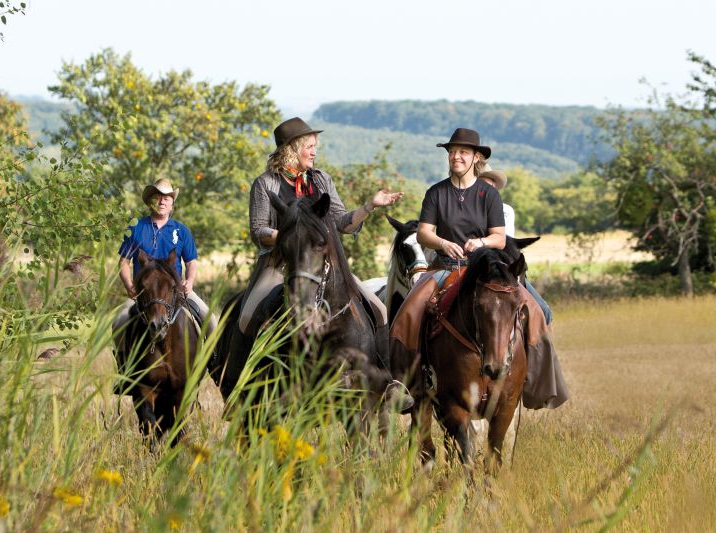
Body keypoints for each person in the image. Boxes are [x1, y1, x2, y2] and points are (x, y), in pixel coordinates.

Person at [232, 117, 412, 408]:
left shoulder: (321, 180)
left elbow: (342, 222)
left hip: (327, 267)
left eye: (315, 146)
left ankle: (386, 384)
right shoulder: (265, 184)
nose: (315, 152)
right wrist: (294, 236)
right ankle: (239, 392)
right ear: (292, 149)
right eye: (310, 146)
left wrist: (369, 206)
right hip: (281, 265)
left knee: (378, 309)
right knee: (246, 315)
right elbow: (258, 230)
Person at [390, 128, 568, 410]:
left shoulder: (489, 194)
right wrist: (443, 243)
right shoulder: (436, 193)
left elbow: (499, 237)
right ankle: (405, 385)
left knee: (537, 311)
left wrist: (481, 241)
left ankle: (536, 385)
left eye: (463, 152)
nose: (456, 157)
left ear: (476, 158)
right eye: (452, 152)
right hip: (445, 267)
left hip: (484, 269)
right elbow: (424, 233)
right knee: (407, 313)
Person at [113, 178, 216, 359]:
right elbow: (123, 262)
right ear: (150, 201)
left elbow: (191, 262)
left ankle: (213, 361)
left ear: (171, 204)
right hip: (144, 292)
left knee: (210, 318)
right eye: (158, 197)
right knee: (119, 321)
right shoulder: (136, 227)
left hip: (175, 290)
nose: (162, 201)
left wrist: (190, 282)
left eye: (166, 198)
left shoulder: (182, 230)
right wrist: (129, 286)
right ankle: (122, 369)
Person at [479, 168, 553, 324]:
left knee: (544, 311)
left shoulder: (506, 210)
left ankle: (539, 348)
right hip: (478, 266)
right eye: (482, 184)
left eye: (491, 185)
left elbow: (507, 244)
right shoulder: (467, 210)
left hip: (506, 269)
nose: (487, 189)